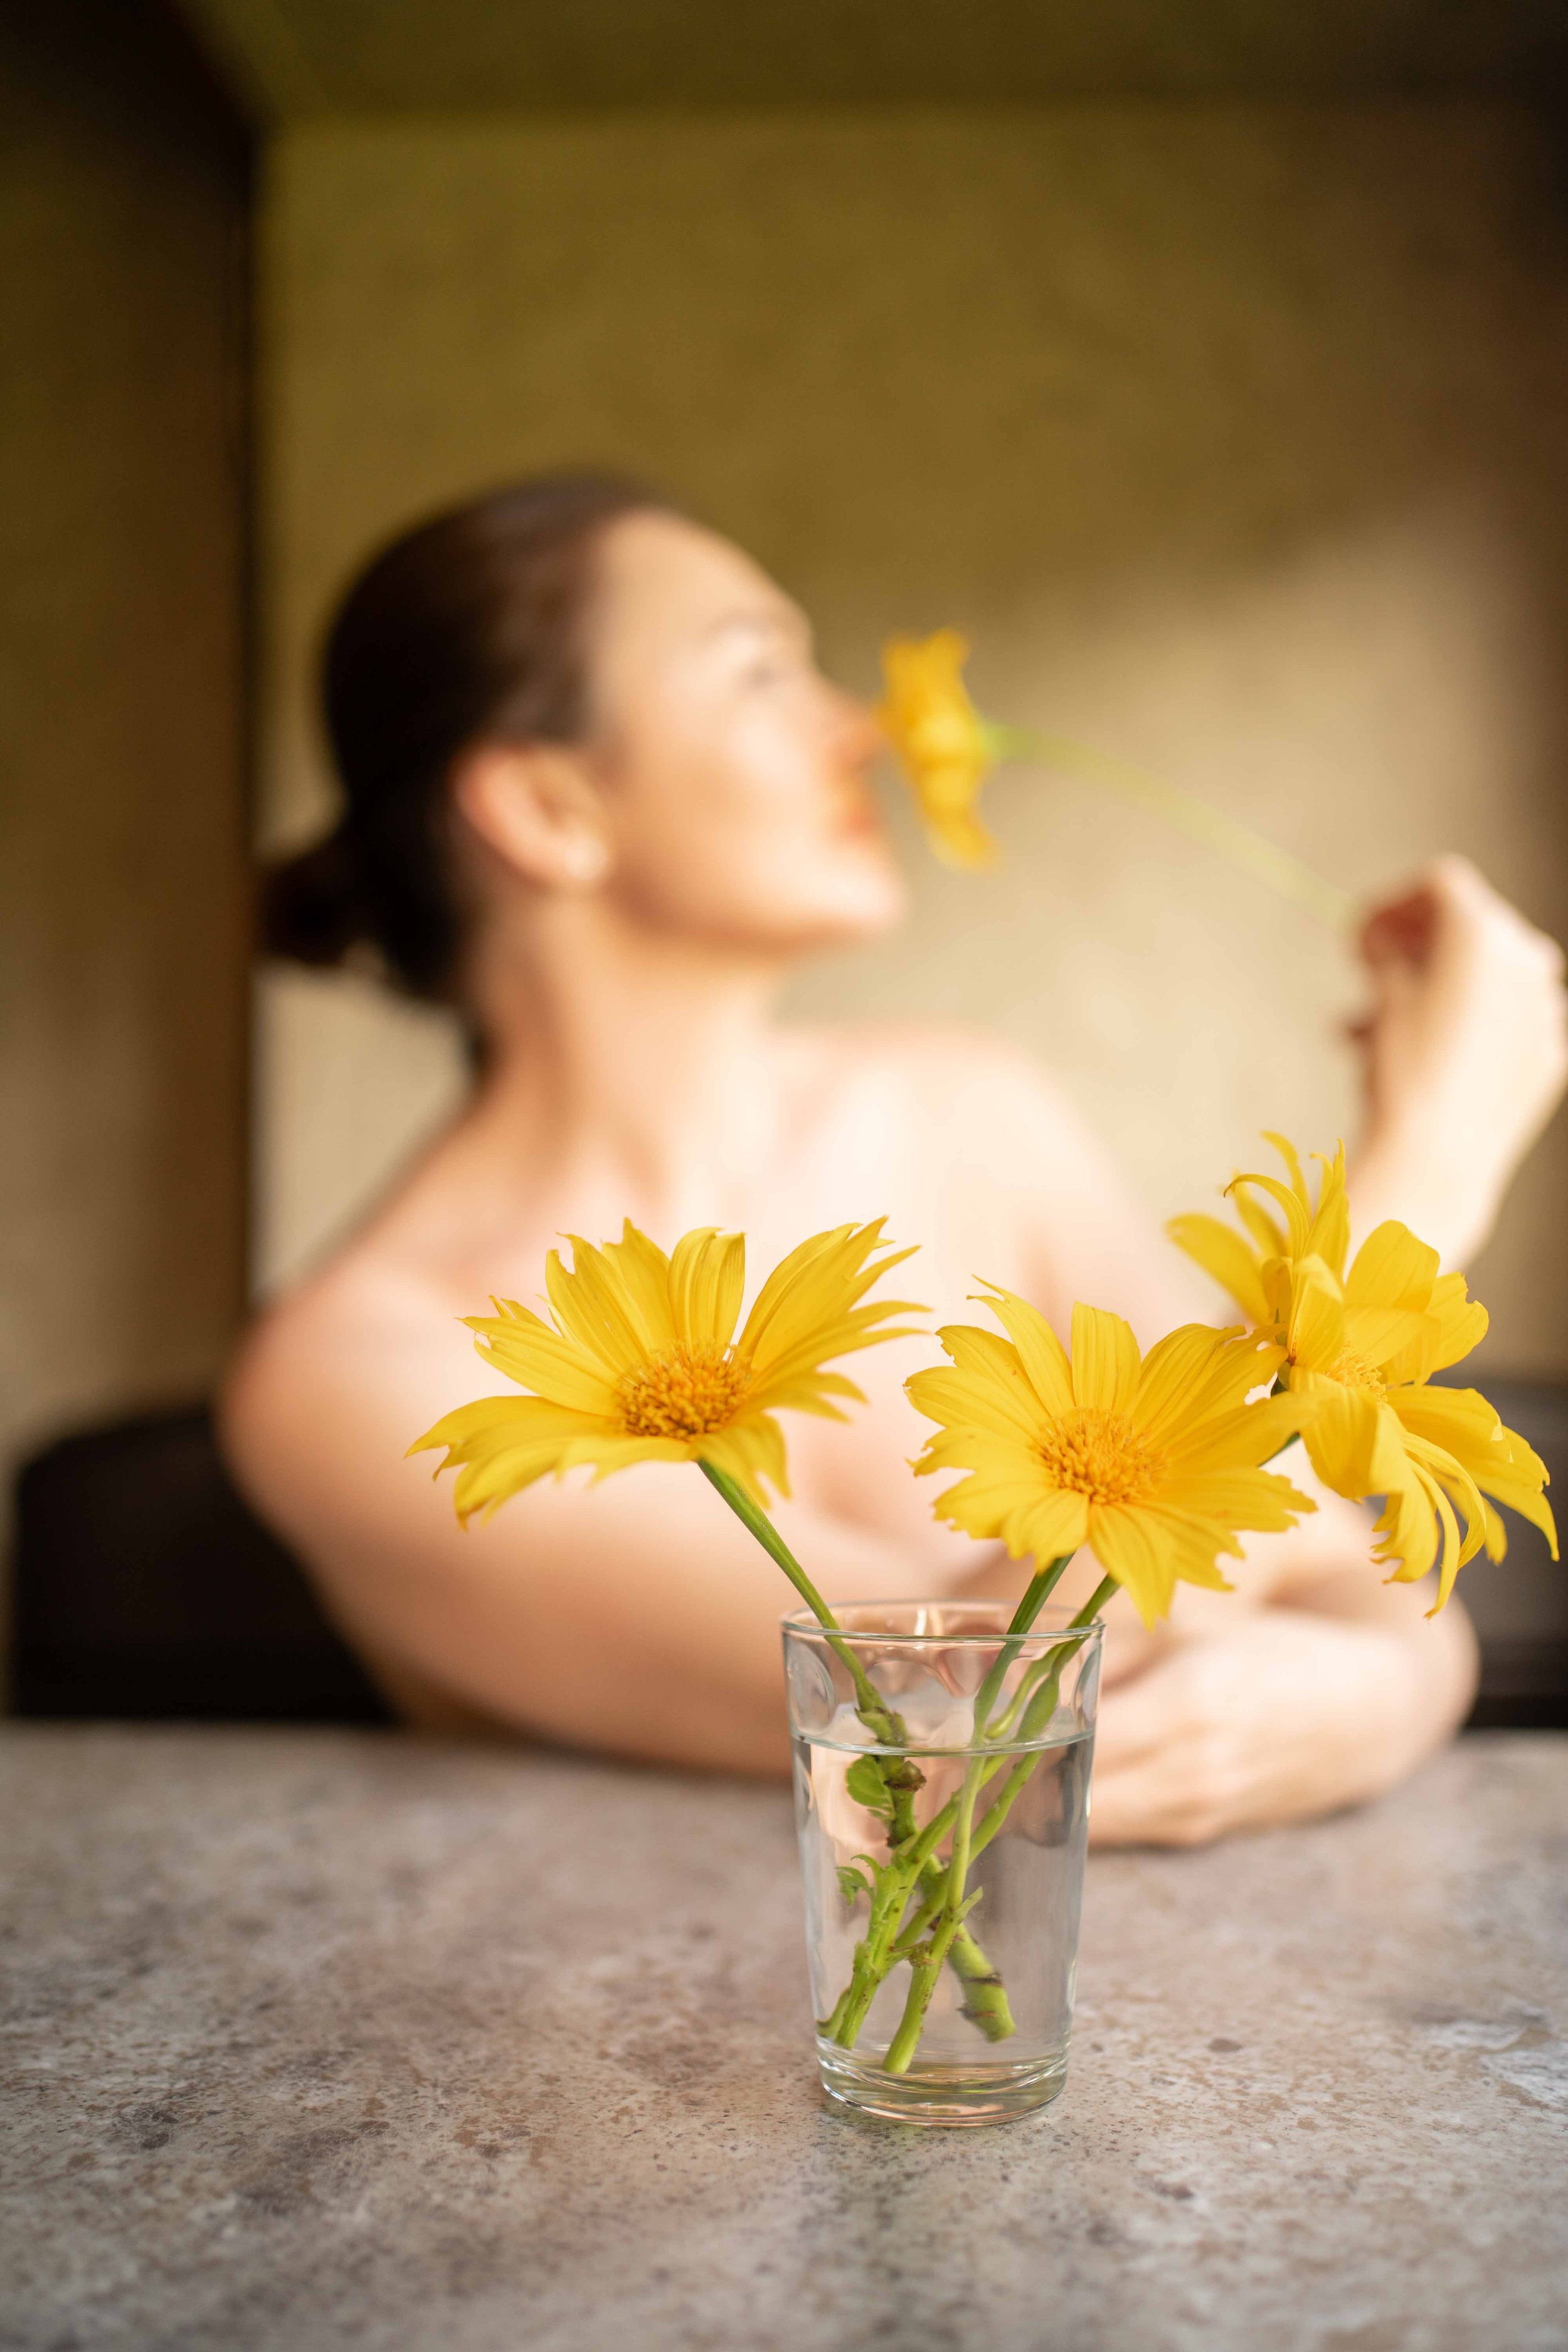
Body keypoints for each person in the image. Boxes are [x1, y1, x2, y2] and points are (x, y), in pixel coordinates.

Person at [221, 474, 1568, 1844]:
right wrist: (1422, 1181)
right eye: (759, 674)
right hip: (680, 2034)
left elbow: (1332, 1569)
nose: (857, 728)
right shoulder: (362, 1375)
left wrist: (1388, 1695)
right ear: (547, 807)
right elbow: (934, 1718)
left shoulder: (966, 1111)